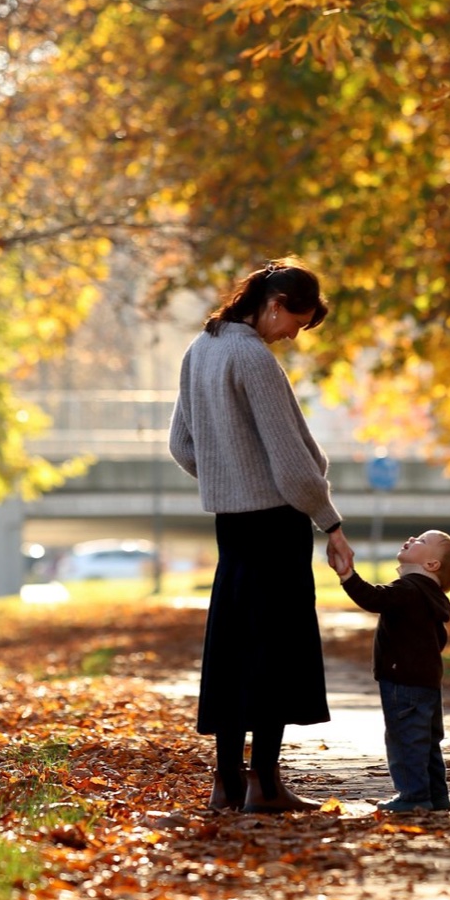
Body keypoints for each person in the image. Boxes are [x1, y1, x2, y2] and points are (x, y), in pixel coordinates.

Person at [169, 261, 352, 814]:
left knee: (232, 647)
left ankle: (226, 784)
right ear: (274, 304)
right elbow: (294, 466)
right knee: (274, 649)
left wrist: (228, 479)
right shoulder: (253, 357)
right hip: (276, 523)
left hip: (233, 525)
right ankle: (266, 786)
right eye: (295, 322)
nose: (293, 335)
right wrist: (331, 524)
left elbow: (182, 445)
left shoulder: (200, 349)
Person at [327, 528, 450, 813]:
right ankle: (436, 796)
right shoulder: (430, 596)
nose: (413, 539)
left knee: (405, 739)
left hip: (403, 679)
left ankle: (413, 797)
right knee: (426, 741)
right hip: (426, 681)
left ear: (431, 565)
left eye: (422, 541)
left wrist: (347, 576)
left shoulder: (409, 589)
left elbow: (374, 599)